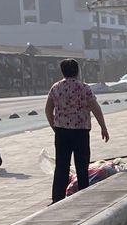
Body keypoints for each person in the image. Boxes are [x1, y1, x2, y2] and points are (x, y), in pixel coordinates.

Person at [44, 58, 109, 202]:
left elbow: (48, 109)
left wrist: (54, 125)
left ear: (62, 71)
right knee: (82, 165)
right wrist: (103, 127)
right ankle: (84, 196)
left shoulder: (56, 87)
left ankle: (57, 198)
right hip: (81, 131)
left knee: (61, 166)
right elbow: (95, 108)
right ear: (77, 71)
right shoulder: (84, 87)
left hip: (62, 132)